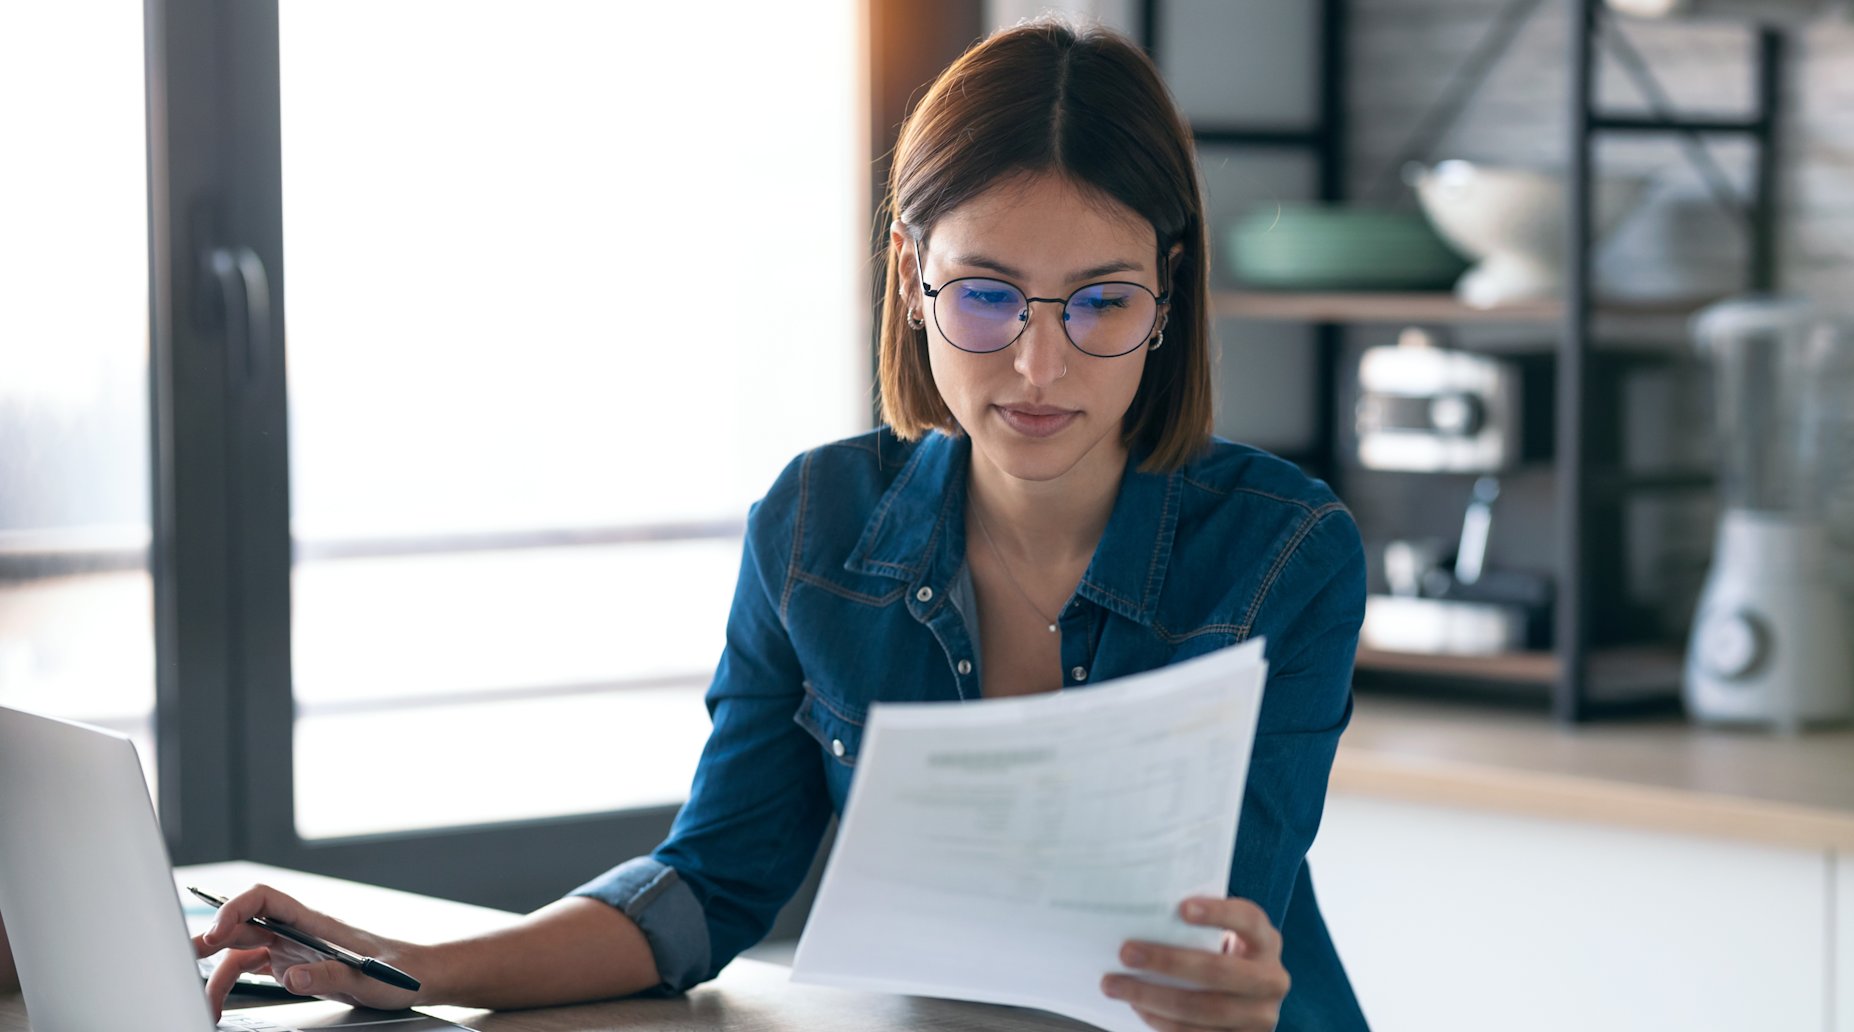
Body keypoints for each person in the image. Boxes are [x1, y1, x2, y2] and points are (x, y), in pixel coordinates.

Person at [186, 20, 1369, 1032]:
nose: (1038, 363)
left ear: (1168, 291)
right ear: (911, 275)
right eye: (987, 293)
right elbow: (708, 885)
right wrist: (416, 970)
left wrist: (1227, 987)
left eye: (1103, 300)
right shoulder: (815, 526)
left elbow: (1223, 936)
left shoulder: (1284, 554)